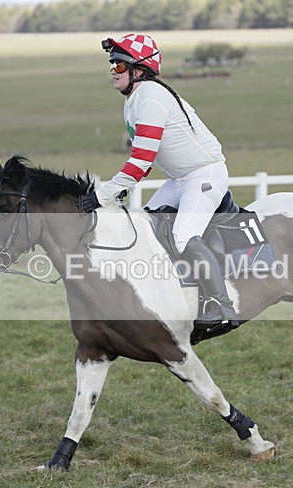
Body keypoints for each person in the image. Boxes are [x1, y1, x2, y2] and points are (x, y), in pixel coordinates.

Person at [77, 33, 239, 334]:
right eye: (112, 65)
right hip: (180, 179)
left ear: (139, 70)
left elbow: (141, 160)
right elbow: (145, 161)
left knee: (183, 235)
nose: (113, 70)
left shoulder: (150, 96)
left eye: (119, 65)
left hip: (204, 176)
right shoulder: (135, 100)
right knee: (145, 229)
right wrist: (120, 190)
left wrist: (104, 195)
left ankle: (222, 306)